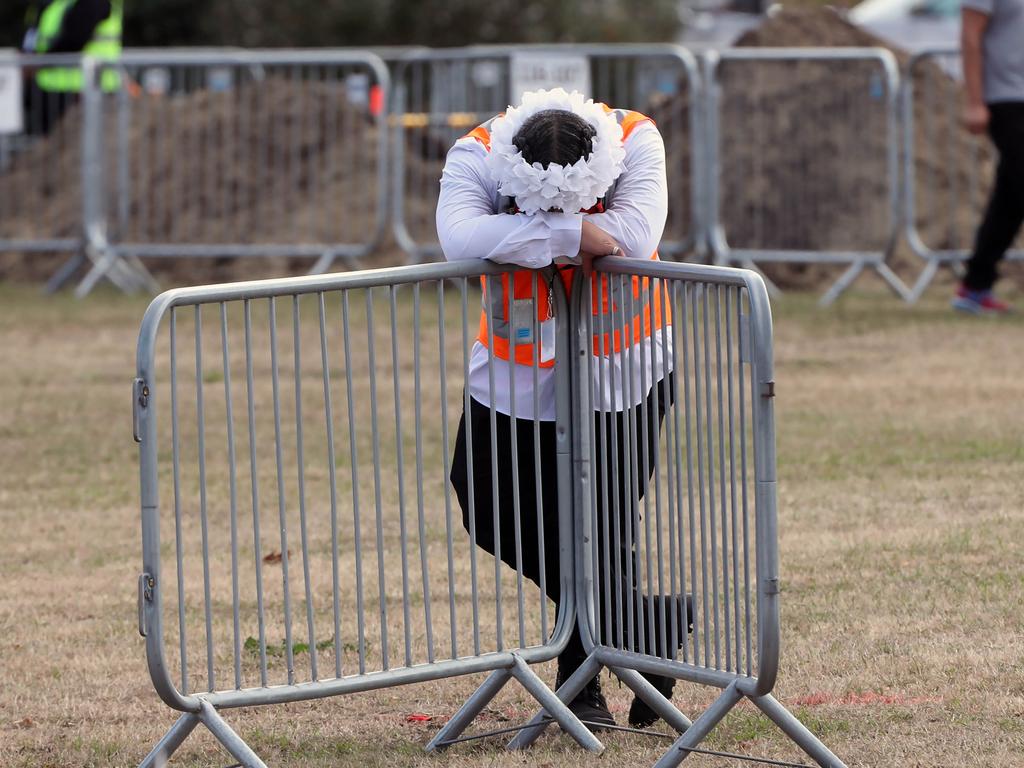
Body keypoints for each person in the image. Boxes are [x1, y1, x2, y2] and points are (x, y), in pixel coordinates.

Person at [437, 88, 689, 731]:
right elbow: (460, 238)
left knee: (602, 523)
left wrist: (522, 234)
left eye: (579, 202)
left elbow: (634, 234)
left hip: (622, 368)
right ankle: (641, 628)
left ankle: (582, 694)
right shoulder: (478, 152)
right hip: (514, 373)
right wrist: (574, 231)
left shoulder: (636, 139)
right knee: (489, 508)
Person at [953, 0, 1024, 314]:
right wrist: (974, 101)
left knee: (1010, 200)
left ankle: (975, 286)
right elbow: (970, 35)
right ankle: (975, 285)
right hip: (1006, 97)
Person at [22, 0, 122, 135]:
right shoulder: (57, 4)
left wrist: (37, 64)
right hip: (54, 91)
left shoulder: (93, 3)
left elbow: (74, 40)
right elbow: (39, 38)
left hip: (83, 93)